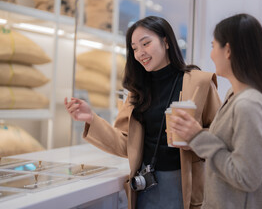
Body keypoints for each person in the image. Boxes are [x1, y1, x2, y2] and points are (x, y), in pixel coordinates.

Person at [64, 16, 221, 209]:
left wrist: (195, 138)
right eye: (134, 48)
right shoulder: (137, 93)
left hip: (187, 187)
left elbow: (221, 139)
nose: (140, 53)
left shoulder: (200, 83)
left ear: (166, 41)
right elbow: (125, 145)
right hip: (146, 188)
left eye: (146, 43)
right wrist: (91, 118)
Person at [169, 13, 262, 209]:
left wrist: (198, 137)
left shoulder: (248, 105)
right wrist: (192, 137)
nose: (211, 54)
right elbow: (230, 145)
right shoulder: (234, 94)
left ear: (228, 50)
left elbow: (245, 177)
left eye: (213, 46)